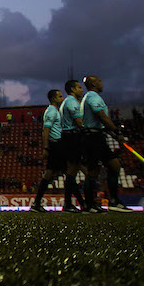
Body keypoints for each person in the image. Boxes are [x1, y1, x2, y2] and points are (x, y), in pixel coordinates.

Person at [80, 75, 131, 213]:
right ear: (94, 83)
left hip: (97, 136)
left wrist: (114, 135)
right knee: (96, 171)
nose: (102, 83)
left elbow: (100, 121)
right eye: (99, 81)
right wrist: (117, 132)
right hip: (93, 137)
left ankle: (109, 201)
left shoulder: (89, 97)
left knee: (113, 166)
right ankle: (92, 204)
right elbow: (102, 117)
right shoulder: (93, 97)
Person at [30, 90, 64, 212]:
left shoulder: (56, 111)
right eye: (60, 96)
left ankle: (37, 203)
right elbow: (46, 130)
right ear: (53, 98)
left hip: (58, 145)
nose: (62, 98)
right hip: (56, 146)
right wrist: (46, 148)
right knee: (67, 172)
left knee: (54, 174)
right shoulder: (51, 111)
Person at [58, 80, 86, 212]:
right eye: (79, 87)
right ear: (73, 89)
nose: (82, 90)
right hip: (72, 137)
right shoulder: (71, 102)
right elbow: (80, 122)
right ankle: (75, 203)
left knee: (73, 171)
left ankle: (75, 203)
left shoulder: (67, 102)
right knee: (72, 171)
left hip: (69, 137)